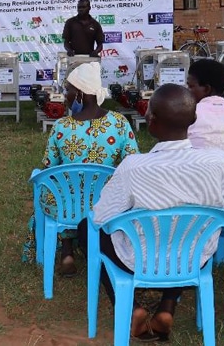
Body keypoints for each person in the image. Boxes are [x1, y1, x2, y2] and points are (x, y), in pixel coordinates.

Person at [77, 83, 224, 341]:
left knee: (86, 228)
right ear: (194, 119)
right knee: (183, 235)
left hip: (140, 259)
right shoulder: (221, 162)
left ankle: (132, 309)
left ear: (150, 120)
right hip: (192, 256)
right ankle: (167, 305)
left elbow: (101, 218)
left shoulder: (134, 167)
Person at [22, 63, 138, 275]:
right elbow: (132, 163)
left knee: (58, 191)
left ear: (81, 94)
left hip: (68, 205)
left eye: (69, 91)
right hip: (107, 203)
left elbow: (49, 166)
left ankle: (67, 251)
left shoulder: (61, 127)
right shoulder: (120, 123)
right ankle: (100, 245)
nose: (65, 96)